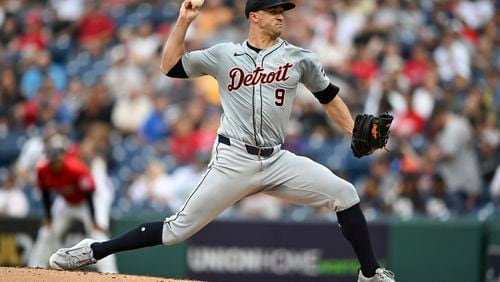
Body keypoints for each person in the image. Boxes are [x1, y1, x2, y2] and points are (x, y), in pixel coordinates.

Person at [49, 1, 396, 281]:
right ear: (254, 16)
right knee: (175, 232)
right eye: (274, 11)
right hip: (234, 159)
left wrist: (353, 129)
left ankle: (370, 274)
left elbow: (329, 97)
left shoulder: (300, 58)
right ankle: (94, 250)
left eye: (283, 12)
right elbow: (169, 66)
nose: (281, 17)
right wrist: (183, 22)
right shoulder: (224, 54)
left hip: (277, 160)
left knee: (346, 194)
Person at [29, 133, 117, 273]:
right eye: (52, 161)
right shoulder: (43, 170)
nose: (55, 164)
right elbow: (45, 193)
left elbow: (89, 193)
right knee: (46, 232)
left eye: (56, 160)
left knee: (98, 233)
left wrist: (94, 220)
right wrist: (49, 217)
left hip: (87, 202)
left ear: (62, 157)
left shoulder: (76, 168)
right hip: (67, 203)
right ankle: (33, 269)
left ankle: (111, 273)